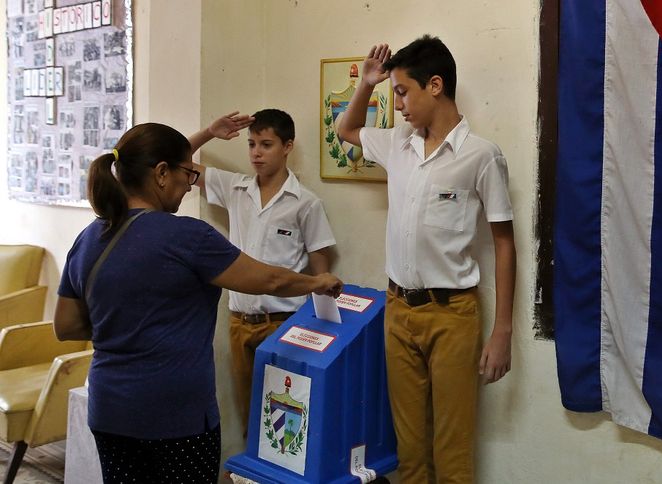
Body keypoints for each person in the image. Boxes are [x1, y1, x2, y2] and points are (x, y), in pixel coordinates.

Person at [53, 122, 343, 484]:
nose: (189, 184)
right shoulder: (186, 236)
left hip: (110, 409)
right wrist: (317, 281)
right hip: (176, 414)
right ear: (161, 173)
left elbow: (65, 326)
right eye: (186, 174)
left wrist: (123, 320)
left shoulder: (89, 237)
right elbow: (268, 279)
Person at [336, 35, 517, 483]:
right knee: (409, 450)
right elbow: (345, 131)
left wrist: (503, 331)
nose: (397, 104)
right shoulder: (398, 143)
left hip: (452, 314)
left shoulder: (480, 156)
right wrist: (369, 83)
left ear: (434, 85)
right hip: (398, 311)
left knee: (452, 450)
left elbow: (504, 243)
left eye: (402, 92)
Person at [187, 109, 337, 433]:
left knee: (286, 422)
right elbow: (174, 161)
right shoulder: (235, 188)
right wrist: (210, 132)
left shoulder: (305, 202)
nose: (256, 152)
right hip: (241, 324)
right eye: (252, 144)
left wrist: (320, 327)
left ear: (287, 146)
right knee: (250, 417)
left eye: (266, 144)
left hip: (285, 325)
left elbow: (320, 272)